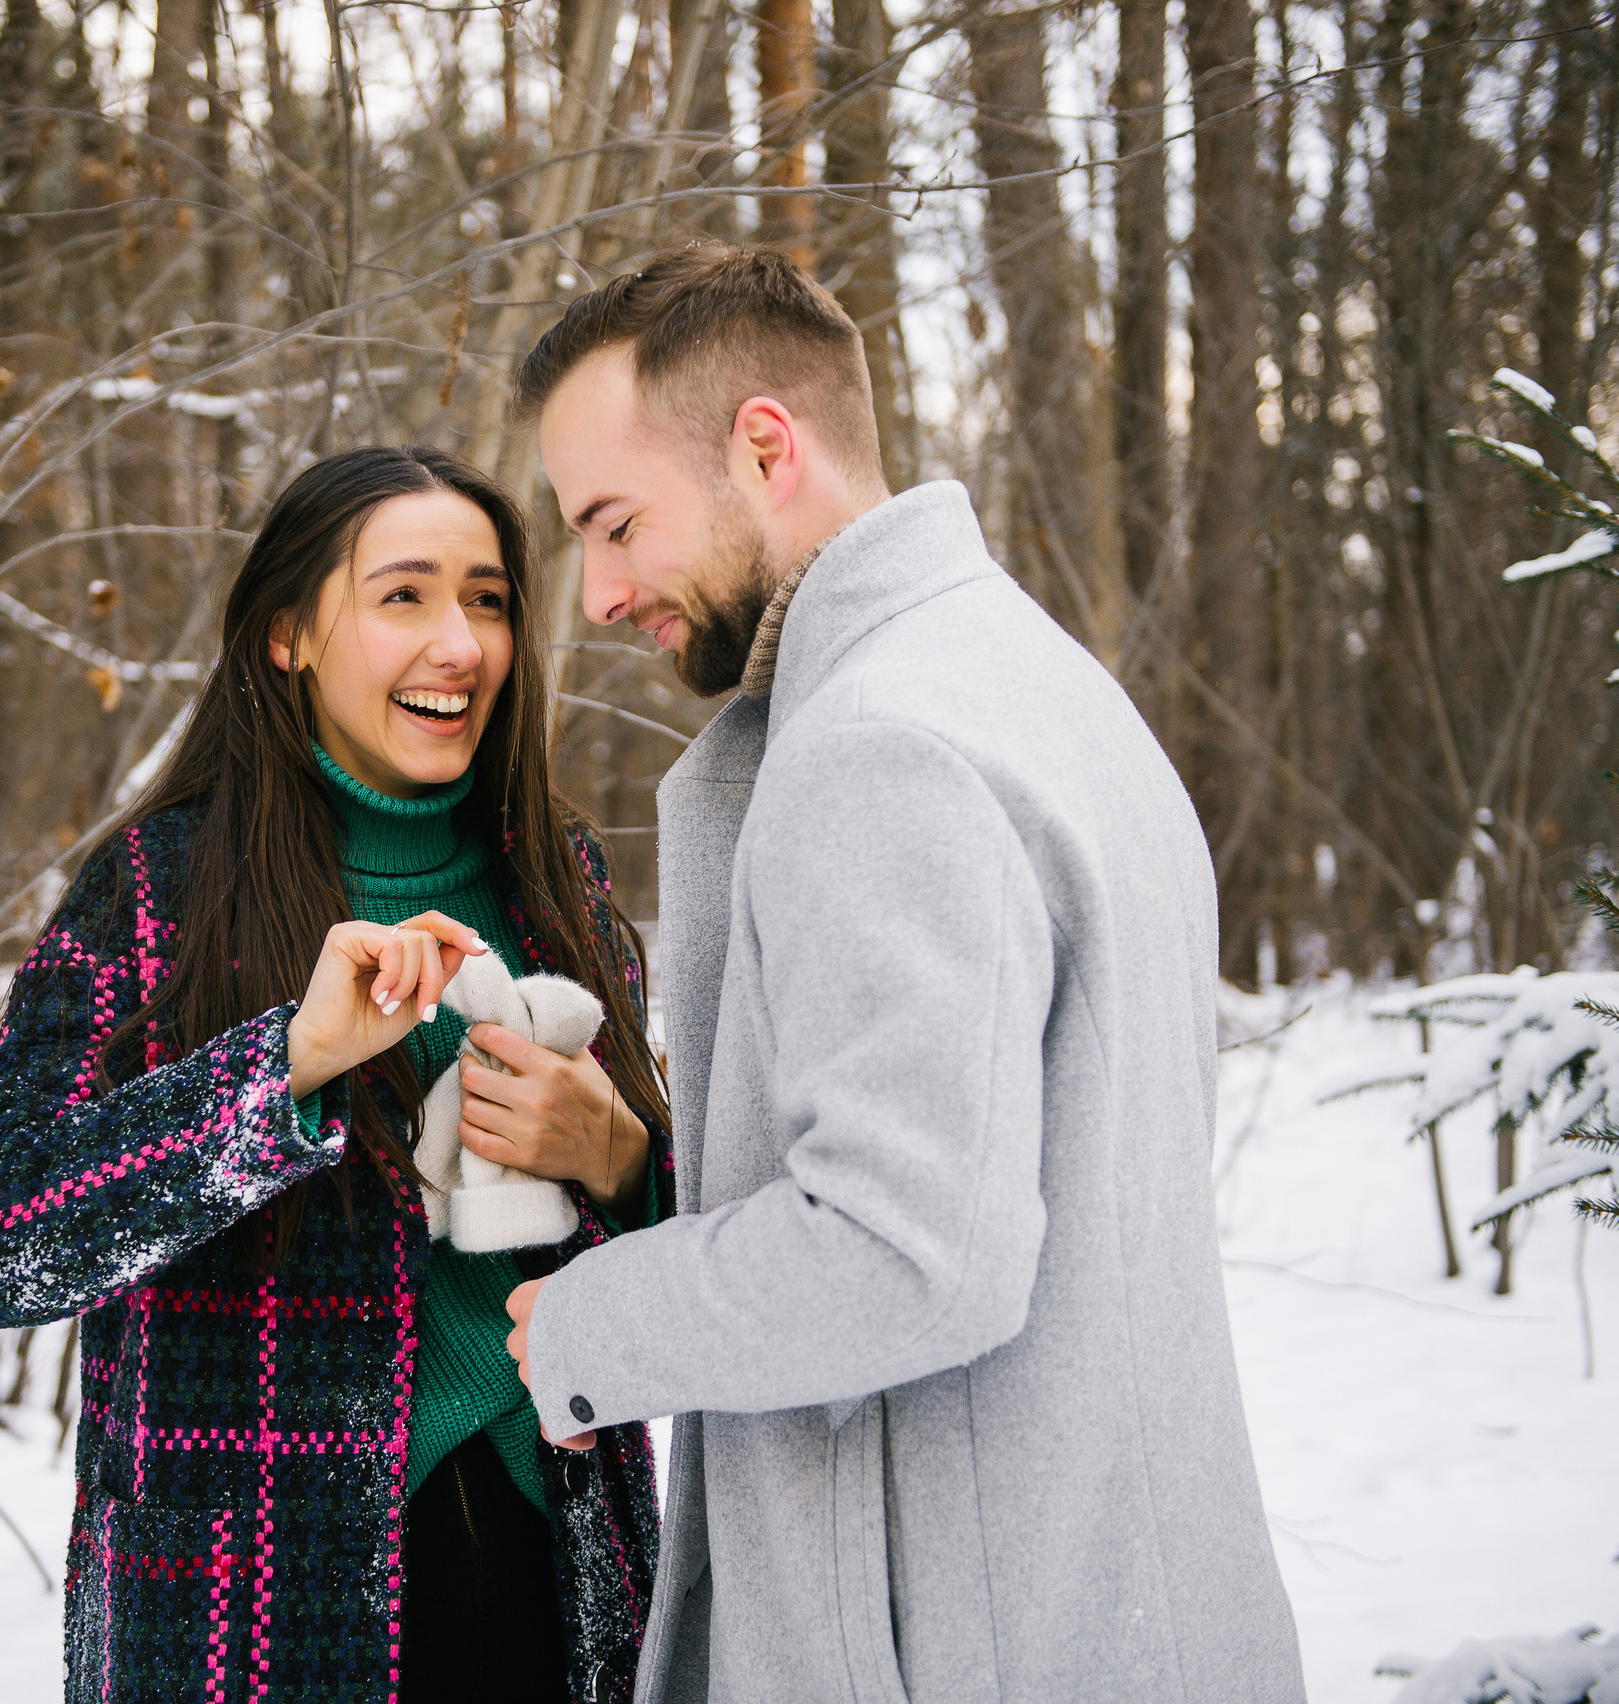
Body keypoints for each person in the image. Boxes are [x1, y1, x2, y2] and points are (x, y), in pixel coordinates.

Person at [499, 244, 1307, 1702]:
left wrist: (589, 1323)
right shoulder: (1043, 684)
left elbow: (904, 1255)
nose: (603, 594)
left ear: (763, 445)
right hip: (1123, 1613)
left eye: (615, 524)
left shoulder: (882, 747)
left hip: (973, 1650)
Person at [0, 445, 672, 1704]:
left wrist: (617, 1155)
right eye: (404, 597)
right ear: (288, 634)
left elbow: (696, 1226)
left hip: (559, 1574)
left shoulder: (559, 878)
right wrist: (285, 1069)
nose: (460, 643)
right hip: (249, 1609)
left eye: (487, 600)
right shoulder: (159, 895)